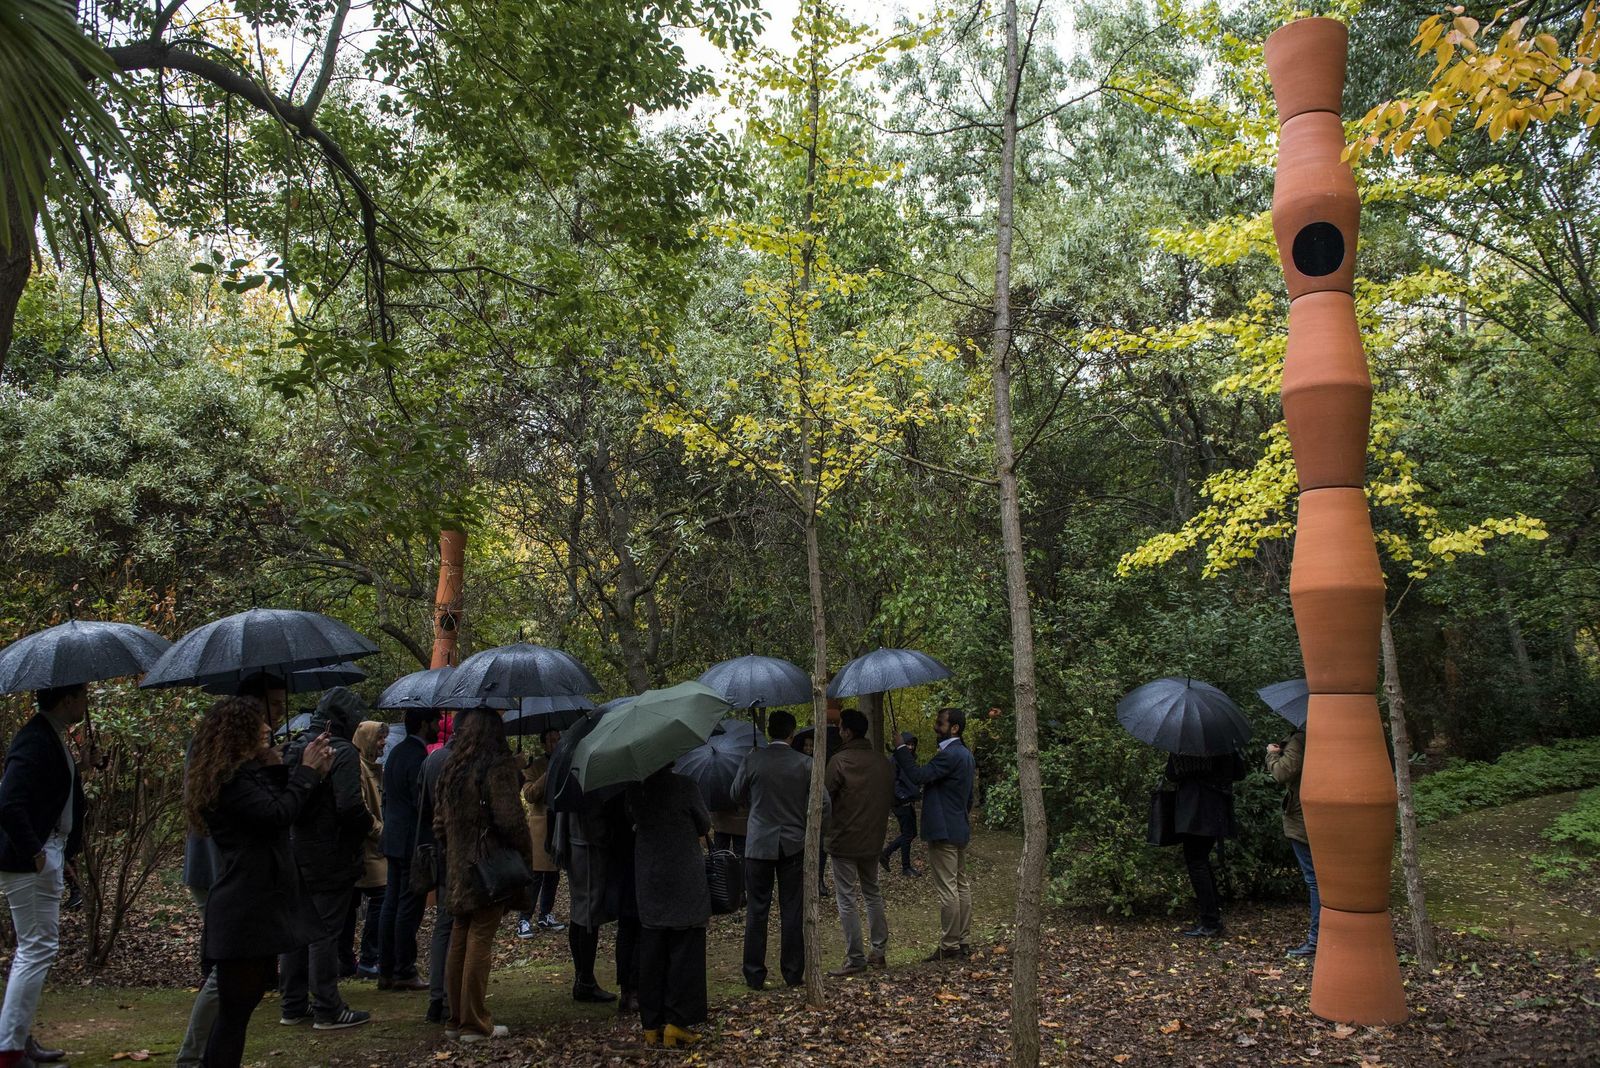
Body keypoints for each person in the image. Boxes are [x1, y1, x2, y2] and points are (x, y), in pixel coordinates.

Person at [186, 696, 332, 1068]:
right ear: (238, 734)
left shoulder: (242, 776)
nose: (268, 727)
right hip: (243, 910)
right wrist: (306, 773)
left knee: (240, 1009)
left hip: (256, 906)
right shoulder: (231, 783)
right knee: (234, 1014)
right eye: (257, 723)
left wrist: (285, 767)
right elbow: (276, 813)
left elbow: (279, 803)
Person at [0, 683, 87, 1068]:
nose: (87, 702)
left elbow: (49, 795)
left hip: (46, 852)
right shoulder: (34, 739)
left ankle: (17, 1036)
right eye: (84, 696)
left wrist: (81, 769)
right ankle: (9, 1050)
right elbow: (8, 801)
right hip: (30, 860)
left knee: (33, 949)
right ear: (67, 700)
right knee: (36, 949)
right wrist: (34, 852)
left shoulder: (49, 735)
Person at [434, 707, 534, 1043]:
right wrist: (523, 850)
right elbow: (509, 819)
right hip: (487, 865)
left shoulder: (452, 767)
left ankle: (456, 1018)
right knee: (480, 937)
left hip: (458, 865)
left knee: (460, 936)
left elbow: (438, 822)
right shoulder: (495, 765)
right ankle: (475, 1023)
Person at [279, 687, 373, 1030]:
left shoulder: (295, 747)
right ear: (345, 721)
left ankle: (292, 1003)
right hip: (331, 854)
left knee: (296, 929)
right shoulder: (342, 751)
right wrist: (370, 827)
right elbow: (349, 805)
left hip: (293, 851)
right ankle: (327, 1008)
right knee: (324, 932)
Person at [627, 765, 711, 1048]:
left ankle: (651, 1023)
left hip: (649, 874)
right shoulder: (686, 786)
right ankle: (677, 1021)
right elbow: (703, 823)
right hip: (683, 874)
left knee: (652, 950)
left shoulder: (635, 789)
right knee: (685, 948)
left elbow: (631, 819)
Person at [730, 709, 811, 990]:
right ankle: (792, 972)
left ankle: (754, 973)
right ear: (792, 733)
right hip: (793, 842)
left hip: (758, 844)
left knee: (757, 909)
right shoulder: (805, 763)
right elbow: (822, 803)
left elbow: (734, 793)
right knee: (792, 909)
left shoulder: (754, 759)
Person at [893, 707, 976, 961]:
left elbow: (918, 775)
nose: (934, 727)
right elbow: (968, 796)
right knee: (961, 884)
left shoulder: (950, 755)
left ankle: (950, 944)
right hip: (958, 826)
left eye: (939, 724)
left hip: (944, 829)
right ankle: (962, 939)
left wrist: (900, 749)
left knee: (949, 887)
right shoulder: (965, 755)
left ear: (954, 728)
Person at [824, 709, 894, 976]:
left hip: (843, 839)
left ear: (848, 731)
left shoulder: (839, 761)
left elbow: (824, 796)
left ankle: (855, 958)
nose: (839, 731)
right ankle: (878, 951)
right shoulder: (881, 761)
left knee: (847, 898)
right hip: (873, 838)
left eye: (841, 727)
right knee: (872, 892)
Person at [378, 707, 440, 991]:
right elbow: (421, 802)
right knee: (407, 907)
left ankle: (387, 968)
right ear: (424, 724)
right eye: (436, 720)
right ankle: (403, 968)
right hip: (410, 842)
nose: (439, 724)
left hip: (393, 838)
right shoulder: (416, 757)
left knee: (391, 904)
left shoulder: (396, 753)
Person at [1163, 748, 1248, 937]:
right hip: (1217, 807)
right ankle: (1212, 914)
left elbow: (1171, 774)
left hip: (1193, 808)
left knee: (1196, 861)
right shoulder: (1224, 742)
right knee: (1201, 859)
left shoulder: (1183, 743)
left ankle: (1211, 920)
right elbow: (1239, 773)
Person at [175, 794, 224, 1068]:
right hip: (217, 875)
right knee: (226, 969)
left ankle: (199, 1054)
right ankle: (190, 1058)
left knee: (227, 969)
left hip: (213, 872)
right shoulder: (215, 760)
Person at [340, 721, 387, 978]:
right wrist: (381, 831)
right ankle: (369, 958)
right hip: (368, 847)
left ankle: (348, 959)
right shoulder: (357, 767)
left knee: (352, 904)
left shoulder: (372, 767)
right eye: (379, 738)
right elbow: (360, 808)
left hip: (371, 847)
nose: (383, 743)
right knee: (382, 895)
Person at [1267, 728, 1317, 956]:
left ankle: (1316, 939)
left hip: (1302, 817)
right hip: (1323, 814)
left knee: (1314, 880)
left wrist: (1272, 755)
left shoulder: (1300, 739)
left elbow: (1281, 773)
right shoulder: (1327, 734)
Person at [415, 728, 452, 1025]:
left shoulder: (432, 760)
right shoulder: (464, 761)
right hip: (460, 852)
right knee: (459, 926)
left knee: (444, 924)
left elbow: (422, 804)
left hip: (439, 848)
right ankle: (450, 999)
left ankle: (437, 997)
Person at [518, 728, 565, 938]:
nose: (555, 744)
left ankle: (546, 914)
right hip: (540, 826)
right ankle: (524, 919)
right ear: (544, 744)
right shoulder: (534, 766)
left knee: (553, 875)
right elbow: (529, 795)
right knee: (535, 876)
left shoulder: (565, 763)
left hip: (559, 824)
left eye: (558, 740)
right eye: (551, 741)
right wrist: (548, 774)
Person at [880, 732, 922, 877]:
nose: (910, 747)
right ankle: (905, 867)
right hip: (900, 802)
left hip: (908, 801)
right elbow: (893, 782)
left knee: (912, 833)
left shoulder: (909, 760)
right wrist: (902, 796)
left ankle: (886, 854)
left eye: (912, 745)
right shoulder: (895, 760)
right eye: (908, 744)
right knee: (908, 834)